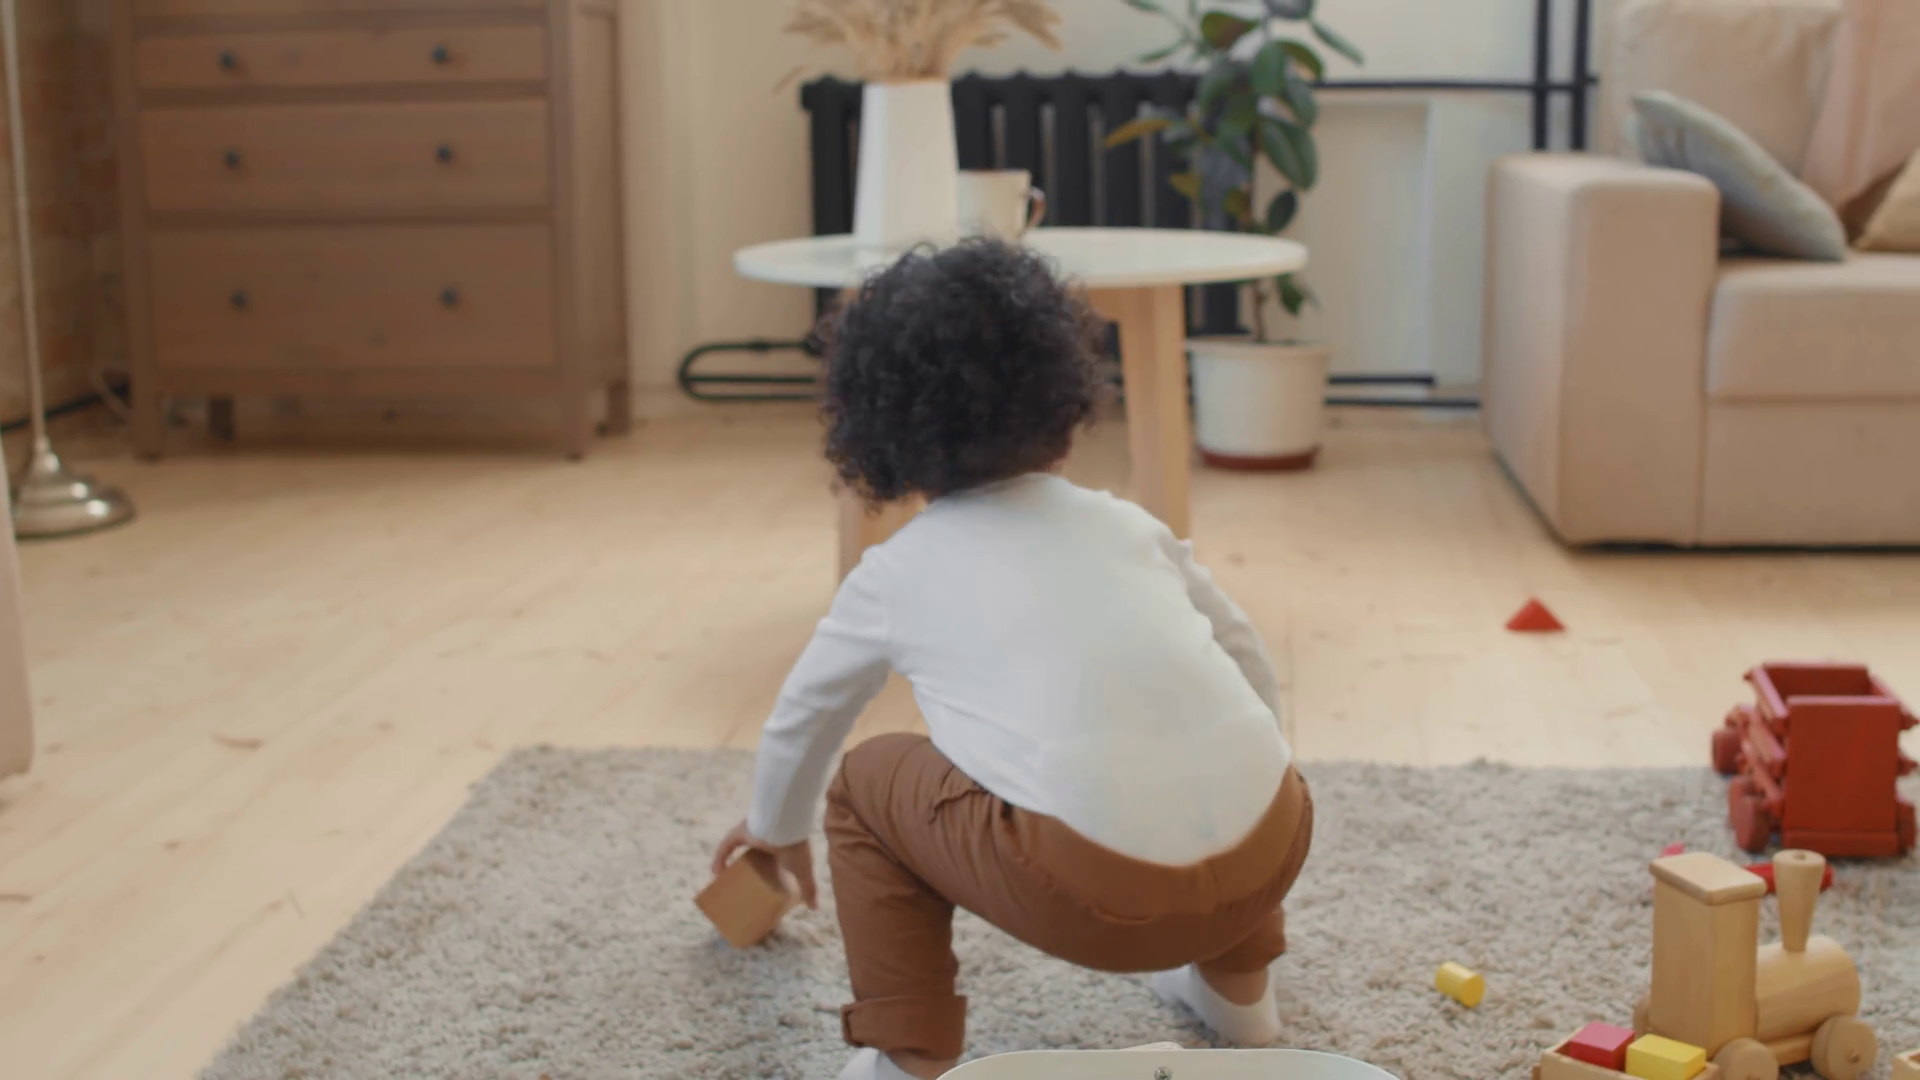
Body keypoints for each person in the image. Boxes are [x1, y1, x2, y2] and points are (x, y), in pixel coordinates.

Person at [709, 240, 1313, 1080]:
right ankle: (1242, 999)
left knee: (863, 785)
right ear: (1064, 405)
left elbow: (806, 715)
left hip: (1096, 904)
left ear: (878, 437)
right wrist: (1237, 777)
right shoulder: (1128, 527)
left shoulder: (892, 572)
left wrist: (774, 833)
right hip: (1275, 843)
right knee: (1217, 724)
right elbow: (1247, 655)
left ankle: (906, 1052)